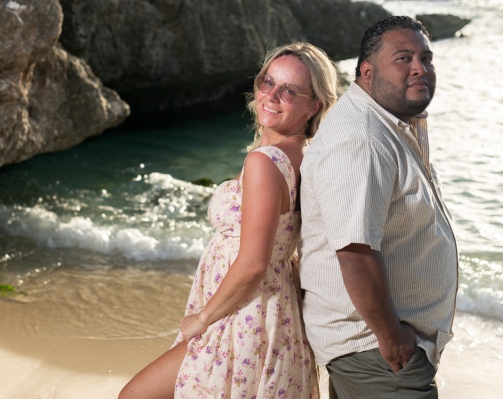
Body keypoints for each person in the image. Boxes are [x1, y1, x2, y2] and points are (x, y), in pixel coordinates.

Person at [119, 42, 339, 399]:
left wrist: (203, 318)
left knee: (135, 396)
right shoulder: (305, 157)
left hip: (243, 313)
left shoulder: (265, 163)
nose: (271, 95)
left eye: (289, 91)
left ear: (314, 104)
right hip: (275, 311)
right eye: (267, 82)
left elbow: (253, 263)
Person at [299, 16, 458, 398]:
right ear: (366, 72)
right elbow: (354, 251)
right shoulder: (363, 139)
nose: (420, 68)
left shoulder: (389, 124)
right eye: (403, 58)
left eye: (426, 57)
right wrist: (394, 341)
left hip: (376, 351)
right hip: (378, 352)